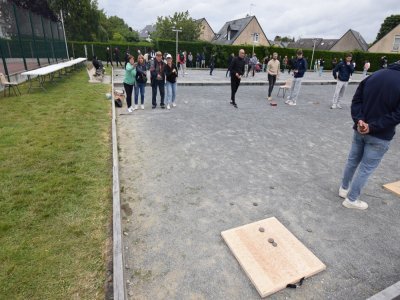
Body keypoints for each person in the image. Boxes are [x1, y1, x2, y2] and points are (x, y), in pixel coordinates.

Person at [338, 60, 400, 210]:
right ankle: (352, 199)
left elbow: (356, 100)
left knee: (352, 161)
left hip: (360, 129)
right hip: (380, 134)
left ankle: (344, 189)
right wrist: (372, 127)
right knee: (366, 168)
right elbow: (398, 115)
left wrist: (359, 120)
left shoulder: (374, 75)